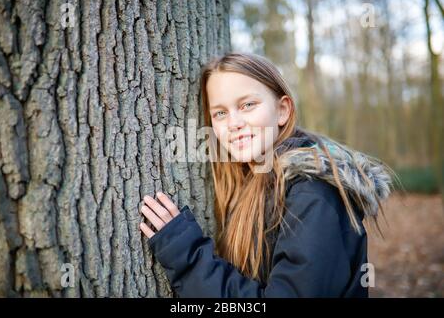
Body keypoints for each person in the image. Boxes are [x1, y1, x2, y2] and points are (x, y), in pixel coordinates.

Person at [139, 53, 392, 298]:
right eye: (220, 113)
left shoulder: (313, 192)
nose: (233, 123)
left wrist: (187, 256)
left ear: (282, 110)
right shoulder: (251, 181)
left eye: (247, 105)